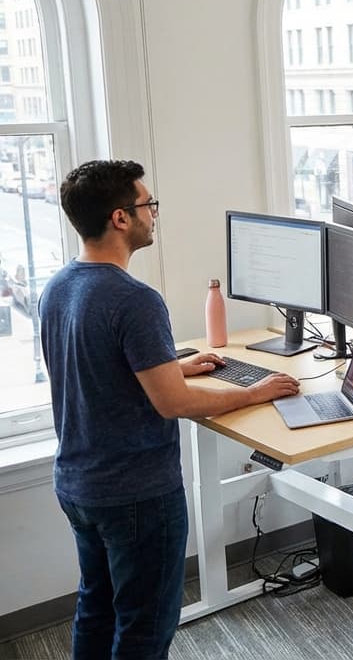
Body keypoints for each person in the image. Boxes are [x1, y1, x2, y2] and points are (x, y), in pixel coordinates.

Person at [40, 160, 300, 658]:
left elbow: (97, 368)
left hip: (78, 484)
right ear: (120, 218)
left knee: (96, 610)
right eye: (147, 204)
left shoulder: (60, 287)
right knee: (144, 630)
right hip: (136, 496)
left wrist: (174, 365)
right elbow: (172, 404)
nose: (154, 214)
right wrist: (252, 392)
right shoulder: (134, 300)